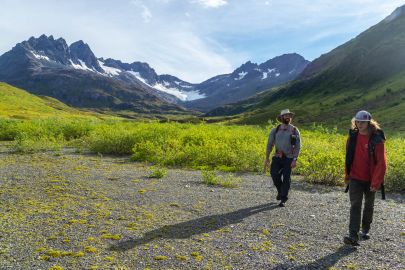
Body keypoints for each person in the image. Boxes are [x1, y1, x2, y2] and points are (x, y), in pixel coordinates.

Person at [343, 110, 387, 246]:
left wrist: (376, 182)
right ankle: (353, 236)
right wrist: (347, 175)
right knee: (355, 205)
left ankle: (366, 229)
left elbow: (382, 163)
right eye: (357, 121)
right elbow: (348, 158)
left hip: (371, 179)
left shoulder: (377, 139)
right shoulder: (352, 137)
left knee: (369, 205)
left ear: (368, 122)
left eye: (363, 122)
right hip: (355, 177)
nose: (360, 124)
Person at [264, 109, 301, 207]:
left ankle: (283, 198)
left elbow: (298, 146)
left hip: (289, 158)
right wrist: (267, 157)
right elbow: (269, 144)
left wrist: (295, 159)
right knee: (274, 174)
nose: (288, 117)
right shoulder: (275, 130)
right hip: (277, 156)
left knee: (286, 178)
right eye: (285, 115)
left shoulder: (294, 130)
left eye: (289, 115)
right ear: (281, 118)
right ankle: (280, 191)